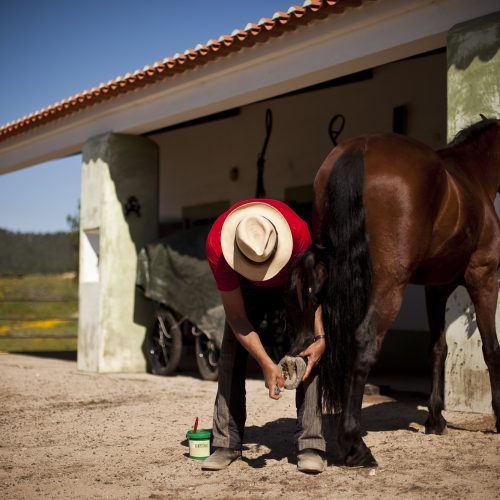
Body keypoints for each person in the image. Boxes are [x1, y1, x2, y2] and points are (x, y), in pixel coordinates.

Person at [202, 198, 326, 473]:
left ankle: (311, 443)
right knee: (230, 351)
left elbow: (310, 294)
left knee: (309, 349)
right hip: (243, 284)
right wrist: (266, 364)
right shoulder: (218, 247)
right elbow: (236, 317)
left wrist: (321, 338)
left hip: (291, 280)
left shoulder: (297, 234)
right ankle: (226, 441)